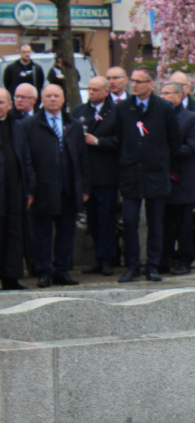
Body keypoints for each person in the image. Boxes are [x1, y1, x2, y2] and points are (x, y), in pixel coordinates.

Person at [114, 65, 182, 283]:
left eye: (139, 81)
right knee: (130, 221)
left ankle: (152, 265)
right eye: (132, 80)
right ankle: (132, 264)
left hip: (155, 174)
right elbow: (118, 137)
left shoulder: (163, 108)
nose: (134, 85)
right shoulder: (123, 108)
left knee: (156, 222)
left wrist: (159, 159)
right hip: (130, 174)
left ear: (151, 84)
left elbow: (175, 140)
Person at [23, 84, 86, 288]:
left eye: (56, 96)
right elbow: (27, 160)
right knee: (41, 234)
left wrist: (84, 188)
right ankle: (43, 271)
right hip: (43, 189)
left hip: (68, 189)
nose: (52, 99)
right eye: (48, 96)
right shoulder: (30, 125)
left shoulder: (73, 125)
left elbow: (82, 159)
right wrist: (30, 189)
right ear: (41, 99)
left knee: (66, 232)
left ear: (63, 99)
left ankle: (61, 271)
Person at [72, 76, 119, 276]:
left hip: (106, 175)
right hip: (86, 175)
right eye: (89, 89)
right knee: (92, 221)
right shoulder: (80, 111)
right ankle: (98, 259)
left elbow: (120, 141)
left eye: (95, 90)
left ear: (106, 92)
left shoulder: (115, 112)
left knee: (106, 219)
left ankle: (108, 259)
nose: (91, 93)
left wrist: (98, 141)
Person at [158, 81, 195, 275]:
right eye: (161, 93)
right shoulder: (157, 117)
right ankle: (164, 259)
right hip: (161, 178)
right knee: (164, 223)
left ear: (179, 96)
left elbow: (194, 147)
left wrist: (166, 151)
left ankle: (184, 259)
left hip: (183, 179)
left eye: (168, 93)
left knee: (184, 223)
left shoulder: (191, 118)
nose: (163, 97)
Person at [169, 71, 195, 271]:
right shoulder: (164, 110)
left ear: (188, 87)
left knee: (191, 217)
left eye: (181, 85)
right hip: (168, 173)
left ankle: (189, 254)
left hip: (191, 172)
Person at [0, 88, 32, 290]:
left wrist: (30, 190)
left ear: (10, 105)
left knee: (13, 232)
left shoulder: (17, 127)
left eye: (2, 102)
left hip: (14, 189)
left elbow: (26, 159)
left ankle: (11, 276)